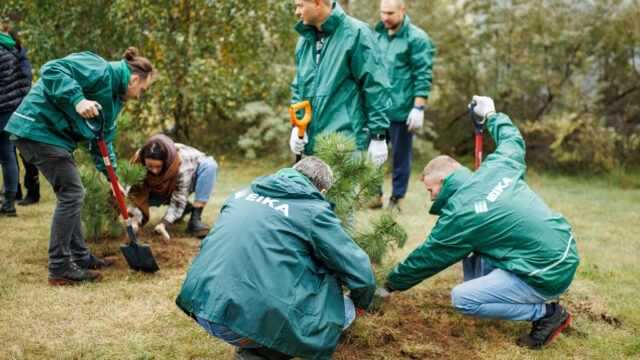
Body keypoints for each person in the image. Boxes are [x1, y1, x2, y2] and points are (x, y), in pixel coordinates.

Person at [378, 96, 580, 349]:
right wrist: (492, 115)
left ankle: (547, 314)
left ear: (443, 181)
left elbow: (428, 257)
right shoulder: (497, 166)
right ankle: (526, 294)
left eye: (430, 190)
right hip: (564, 249)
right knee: (474, 246)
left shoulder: (461, 216)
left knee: (463, 298)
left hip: (546, 272)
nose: (431, 198)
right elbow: (512, 140)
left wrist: (390, 284)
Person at [176, 156, 376, 360]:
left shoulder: (242, 194)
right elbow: (361, 272)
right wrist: (360, 303)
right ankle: (260, 351)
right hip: (238, 323)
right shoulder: (312, 209)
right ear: (322, 191)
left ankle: (253, 342)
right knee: (345, 309)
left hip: (202, 305)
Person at [5, 47, 154, 285]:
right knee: (73, 193)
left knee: (71, 193)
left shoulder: (114, 102)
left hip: (53, 137)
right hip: (37, 128)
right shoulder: (99, 68)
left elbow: (102, 141)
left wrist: (114, 180)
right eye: (141, 90)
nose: (138, 96)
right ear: (134, 79)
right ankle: (60, 266)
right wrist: (78, 99)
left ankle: (79, 256)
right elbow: (52, 69)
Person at [289, 0, 392, 166]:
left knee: (341, 193)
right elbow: (299, 86)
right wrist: (297, 126)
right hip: (311, 145)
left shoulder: (356, 33)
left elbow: (375, 86)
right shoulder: (304, 41)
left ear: (317, 3)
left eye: (300, 5)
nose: (297, 11)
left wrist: (378, 135)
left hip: (346, 144)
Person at [368, 0, 435, 212]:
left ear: (402, 11)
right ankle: (375, 194)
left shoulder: (417, 39)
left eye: (390, 13)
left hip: (403, 111)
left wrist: (418, 107)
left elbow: (422, 75)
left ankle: (397, 199)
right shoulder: (377, 36)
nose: (385, 17)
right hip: (378, 110)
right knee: (371, 154)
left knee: (400, 158)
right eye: (382, 13)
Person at [127, 133, 218, 239]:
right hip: (160, 186)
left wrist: (163, 224)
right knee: (140, 197)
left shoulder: (181, 163)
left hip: (190, 177)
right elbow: (134, 193)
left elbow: (180, 196)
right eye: (150, 166)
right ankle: (185, 208)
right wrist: (135, 222)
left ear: (165, 162)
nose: (154, 171)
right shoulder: (138, 160)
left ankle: (195, 219)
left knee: (210, 165)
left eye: (158, 166)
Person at [0, 23, 32, 216]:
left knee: (7, 155)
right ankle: (9, 202)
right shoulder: (11, 47)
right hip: (11, 107)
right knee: (7, 154)